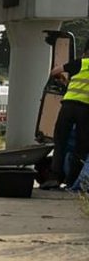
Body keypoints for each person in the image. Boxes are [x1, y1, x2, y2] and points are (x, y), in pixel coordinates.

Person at [40, 49, 89, 190]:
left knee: (60, 142)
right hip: (85, 110)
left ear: (86, 52)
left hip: (68, 107)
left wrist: (65, 80)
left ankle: (54, 177)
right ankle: (72, 181)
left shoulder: (80, 63)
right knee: (82, 147)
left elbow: (54, 71)